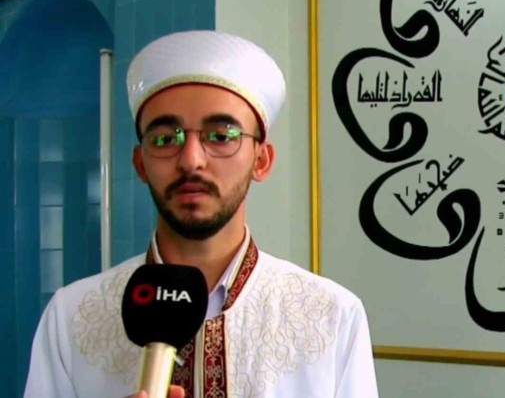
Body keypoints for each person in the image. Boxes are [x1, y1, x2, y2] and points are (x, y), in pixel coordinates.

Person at [23, 31, 379, 398]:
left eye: (221, 136)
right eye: (165, 139)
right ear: (140, 163)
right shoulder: (72, 317)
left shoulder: (331, 315)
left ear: (261, 160)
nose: (191, 160)